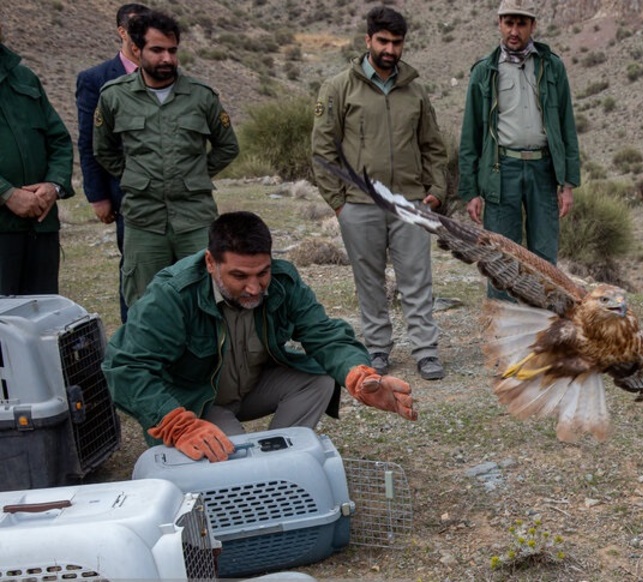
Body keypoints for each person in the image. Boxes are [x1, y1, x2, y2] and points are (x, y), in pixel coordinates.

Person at [103, 211, 417, 463]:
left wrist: (357, 375)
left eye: (261, 273)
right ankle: (255, 470)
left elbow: (323, 334)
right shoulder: (173, 295)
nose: (254, 288)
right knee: (229, 458)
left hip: (251, 388)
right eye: (239, 276)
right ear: (211, 263)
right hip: (198, 403)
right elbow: (124, 367)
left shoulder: (282, 281)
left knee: (319, 380)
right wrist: (177, 424)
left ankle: (280, 461)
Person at [312, 6, 448, 381]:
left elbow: (433, 146)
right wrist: (338, 203)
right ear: (368, 40)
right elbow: (323, 150)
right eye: (383, 41)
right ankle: (377, 350)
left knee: (417, 280)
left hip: (409, 204)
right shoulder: (339, 88)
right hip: (359, 204)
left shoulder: (415, 91)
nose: (390, 49)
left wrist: (435, 192)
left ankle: (426, 352)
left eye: (397, 42)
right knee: (369, 280)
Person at [94, 9, 239, 310]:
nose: (167, 59)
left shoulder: (201, 96)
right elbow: (104, 150)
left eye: (172, 50)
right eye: (157, 50)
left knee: (207, 300)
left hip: (194, 218)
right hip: (143, 219)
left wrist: (195, 174)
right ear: (136, 50)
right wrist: (135, 176)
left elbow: (227, 147)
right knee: (145, 305)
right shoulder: (114, 96)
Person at [458, 0, 581, 299]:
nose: (514, 31)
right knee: (501, 256)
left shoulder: (552, 66)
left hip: (543, 169)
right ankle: (502, 336)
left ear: (532, 26)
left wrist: (568, 183)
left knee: (544, 257)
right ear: (499, 23)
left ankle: (544, 333)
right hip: (502, 170)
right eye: (509, 23)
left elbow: (566, 126)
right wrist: (470, 190)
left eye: (521, 24)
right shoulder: (484, 72)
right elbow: (470, 135)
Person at [76, 3, 150, 321]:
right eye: (135, 27)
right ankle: (134, 349)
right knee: (134, 271)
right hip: (125, 193)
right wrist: (98, 196)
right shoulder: (96, 79)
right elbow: (88, 140)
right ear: (121, 31)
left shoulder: (165, 72)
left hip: (171, 197)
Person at [0, 22, 75, 295]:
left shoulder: (23, 78)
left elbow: (59, 140)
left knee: (41, 320)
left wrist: (53, 186)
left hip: (40, 226)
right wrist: (7, 193)